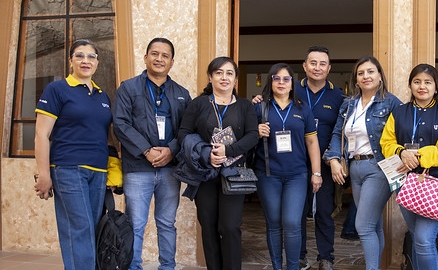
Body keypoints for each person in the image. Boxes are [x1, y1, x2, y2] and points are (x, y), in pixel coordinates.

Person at [252, 46, 344, 270]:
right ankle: (299, 257)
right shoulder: (282, 98)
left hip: (319, 164)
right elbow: (247, 133)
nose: (317, 67)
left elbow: (340, 131)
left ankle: (325, 258)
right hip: (276, 168)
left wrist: (328, 164)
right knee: (293, 218)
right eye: (313, 63)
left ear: (329, 68)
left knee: (322, 211)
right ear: (304, 67)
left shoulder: (339, 95)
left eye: (323, 64)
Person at [113, 37, 191, 270]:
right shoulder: (128, 88)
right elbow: (120, 124)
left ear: (172, 62)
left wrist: (171, 150)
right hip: (138, 168)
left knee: (167, 223)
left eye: (165, 55)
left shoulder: (181, 93)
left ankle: (167, 266)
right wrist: (146, 150)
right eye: (154, 54)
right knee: (135, 223)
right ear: (146, 57)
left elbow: (187, 130)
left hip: (170, 170)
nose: (159, 59)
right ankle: (133, 267)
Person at [34, 39, 112, 270]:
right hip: (68, 168)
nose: (85, 61)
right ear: (70, 61)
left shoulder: (102, 96)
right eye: (79, 55)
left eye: (91, 56)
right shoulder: (57, 90)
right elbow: (41, 135)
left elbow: (104, 136)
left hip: (98, 171)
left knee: (93, 227)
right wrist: (43, 174)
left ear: (97, 62)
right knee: (80, 227)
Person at [177, 57, 258, 270]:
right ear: (210, 77)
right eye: (219, 73)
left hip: (234, 173)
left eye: (229, 73)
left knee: (230, 226)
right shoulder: (199, 104)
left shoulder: (244, 106)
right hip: (205, 174)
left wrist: (228, 150)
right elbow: (183, 134)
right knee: (209, 226)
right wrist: (206, 154)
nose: (224, 77)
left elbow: (252, 136)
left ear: (235, 79)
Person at [380, 63, 438, 269]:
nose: (422, 86)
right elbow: (386, 143)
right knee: (418, 238)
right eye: (417, 82)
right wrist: (401, 152)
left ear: (436, 87)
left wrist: (417, 156)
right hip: (405, 184)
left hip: (436, 183)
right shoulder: (399, 112)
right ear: (410, 85)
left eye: (428, 82)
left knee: (424, 239)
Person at [324, 56, 402, 270]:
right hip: (354, 168)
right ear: (356, 79)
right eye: (361, 73)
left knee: (363, 225)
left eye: (370, 72)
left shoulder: (391, 102)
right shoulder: (349, 104)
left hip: (379, 168)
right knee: (373, 224)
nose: (366, 76)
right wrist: (333, 159)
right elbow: (338, 132)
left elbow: (402, 133)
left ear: (379, 76)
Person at [254, 63, 322, 270]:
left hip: (297, 175)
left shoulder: (302, 108)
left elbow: (312, 142)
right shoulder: (259, 107)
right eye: (277, 78)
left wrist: (316, 173)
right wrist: (256, 131)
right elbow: (245, 138)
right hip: (267, 174)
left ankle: (293, 267)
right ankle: (277, 266)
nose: (281, 82)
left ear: (293, 83)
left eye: (286, 79)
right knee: (274, 223)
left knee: (292, 223)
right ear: (270, 81)